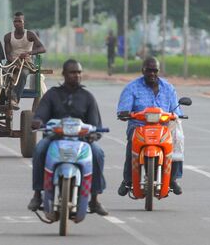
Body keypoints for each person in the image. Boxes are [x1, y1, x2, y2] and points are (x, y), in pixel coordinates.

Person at [28, 59, 108, 216]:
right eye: (72, 72)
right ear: (64, 74)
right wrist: (37, 121)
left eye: (79, 72)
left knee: (98, 153)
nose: (76, 76)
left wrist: (94, 134)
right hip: (54, 138)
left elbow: (95, 123)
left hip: (81, 140)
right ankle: (37, 195)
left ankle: (94, 199)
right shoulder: (52, 94)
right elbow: (41, 114)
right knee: (38, 149)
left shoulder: (88, 97)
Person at [117, 57, 184, 196]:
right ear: (143, 70)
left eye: (155, 71)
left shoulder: (169, 88)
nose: (152, 74)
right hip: (138, 126)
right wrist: (124, 113)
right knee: (132, 143)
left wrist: (176, 115)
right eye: (149, 70)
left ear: (158, 71)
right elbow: (123, 109)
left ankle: (173, 178)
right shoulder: (132, 87)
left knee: (177, 140)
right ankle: (128, 180)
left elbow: (176, 111)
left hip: (164, 127)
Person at [3, 11, 46, 110]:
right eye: (15, 21)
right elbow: (8, 55)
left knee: (23, 74)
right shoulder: (8, 36)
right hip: (12, 61)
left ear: (23, 22)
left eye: (19, 21)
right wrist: (14, 62)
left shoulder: (30, 34)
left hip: (26, 62)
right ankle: (2, 97)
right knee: (3, 73)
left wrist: (28, 53)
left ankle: (15, 100)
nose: (17, 23)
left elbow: (43, 49)